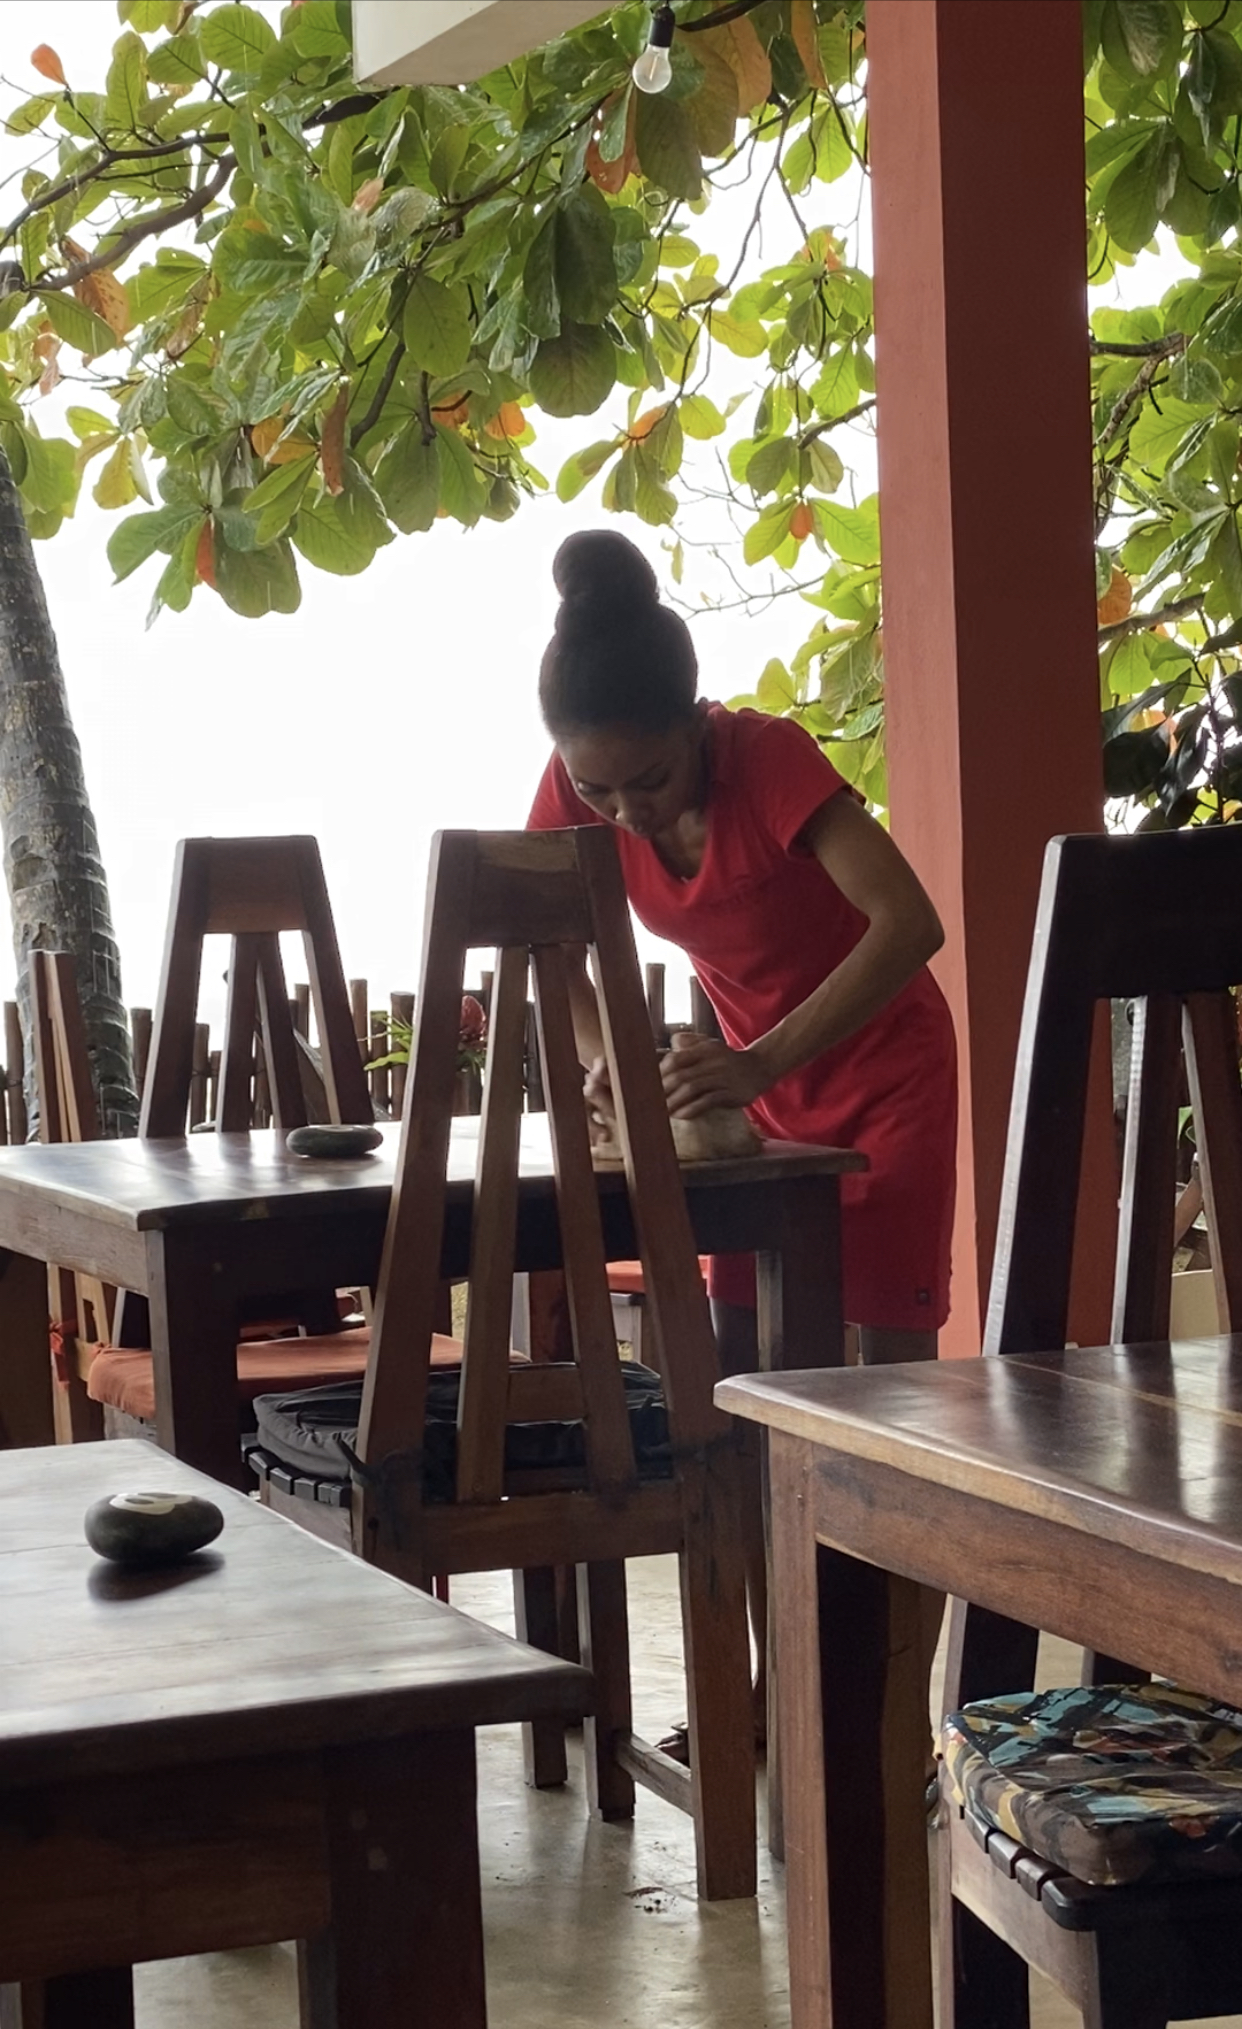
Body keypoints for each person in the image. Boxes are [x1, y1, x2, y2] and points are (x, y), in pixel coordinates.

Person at [527, 528, 956, 1746]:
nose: (623, 810)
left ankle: (887, 1714)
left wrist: (764, 1055)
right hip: (750, 1107)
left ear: (696, 726)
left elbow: (909, 922)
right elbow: (548, 936)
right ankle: (776, 1700)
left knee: (885, 1411)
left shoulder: (768, 759)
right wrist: (613, 1062)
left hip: (883, 1081)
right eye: (598, 792)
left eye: (648, 781)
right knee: (743, 1400)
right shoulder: (582, 779)